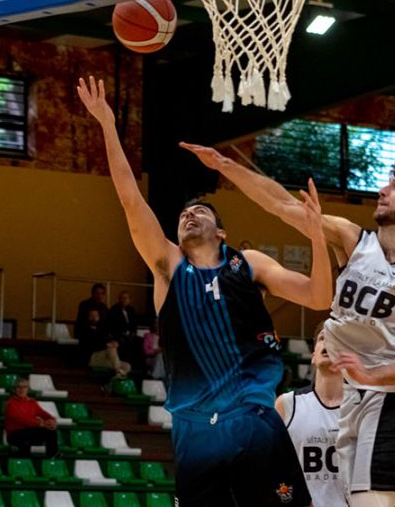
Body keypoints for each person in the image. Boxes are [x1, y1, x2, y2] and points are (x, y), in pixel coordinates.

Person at [78, 76, 331, 506]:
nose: (189, 215)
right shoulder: (168, 266)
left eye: (199, 211)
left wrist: (317, 239)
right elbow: (129, 199)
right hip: (195, 428)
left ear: (222, 231)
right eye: (183, 213)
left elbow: (320, 297)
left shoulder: (248, 264)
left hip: (253, 417)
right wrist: (106, 123)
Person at [182, 142, 395, 507]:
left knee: (373, 502)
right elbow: (281, 204)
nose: (383, 190)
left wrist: (376, 375)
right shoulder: (352, 239)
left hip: (391, 398)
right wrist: (226, 165)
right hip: (352, 395)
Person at [275, 325, 346, 507]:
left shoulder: (362, 408)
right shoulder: (286, 404)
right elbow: (272, 469)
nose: (328, 343)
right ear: (313, 356)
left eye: (336, 339)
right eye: (323, 338)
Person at [3, 378, 59, 457]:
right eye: (19, 387)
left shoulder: (32, 402)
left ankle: (53, 456)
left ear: (28, 389)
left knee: (50, 431)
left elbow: (42, 413)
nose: (21, 389)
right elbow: (21, 419)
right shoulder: (10, 403)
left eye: (24, 387)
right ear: (15, 389)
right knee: (25, 440)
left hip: (30, 431)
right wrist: (40, 423)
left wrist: (52, 420)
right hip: (15, 434)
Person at [76, 307, 132, 378]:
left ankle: (117, 376)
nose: (94, 318)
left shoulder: (102, 329)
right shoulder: (83, 329)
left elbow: (107, 340)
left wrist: (114, 343)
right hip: (91, 358)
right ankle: (118, 371)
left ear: (99, 317)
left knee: (127, 366)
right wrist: (106, 345)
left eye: (96, 316)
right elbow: (91, 344)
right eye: (91, 316)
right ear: (88, 317)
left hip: (104, 358)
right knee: (111, 349)